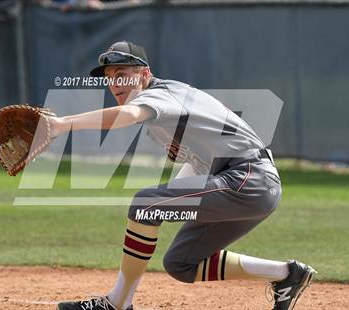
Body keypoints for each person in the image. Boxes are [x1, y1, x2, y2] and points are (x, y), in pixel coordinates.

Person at [50, 41, 316, 310]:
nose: (114, 83)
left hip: (247, 180)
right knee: (181, 262)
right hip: (246, 185)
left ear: (144, 74)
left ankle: (117, 303)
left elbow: (128, 115)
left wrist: (62, 124)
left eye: (121, 74)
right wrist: (173, 199)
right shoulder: (166, 104)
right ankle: (287, 275)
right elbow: (197, 159)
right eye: (109, 78)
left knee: (145, 205)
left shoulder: (160, 95)